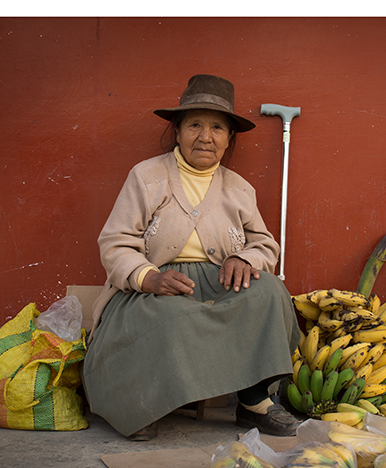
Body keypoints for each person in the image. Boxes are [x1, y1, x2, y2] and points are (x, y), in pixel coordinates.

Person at [82, 74, 302, 440]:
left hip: (218, 286)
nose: (206, 136)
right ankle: (141, 403)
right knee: (170, 315)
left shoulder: (239, 189)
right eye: (195, 125)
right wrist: (148, 277)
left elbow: (265, 244)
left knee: (270, 294)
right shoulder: (147, 176)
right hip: (153, 289)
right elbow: (116, 242)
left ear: (229, 139)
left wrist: (245, 260)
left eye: (217, 127)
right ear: (177, 131)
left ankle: (253, 402)